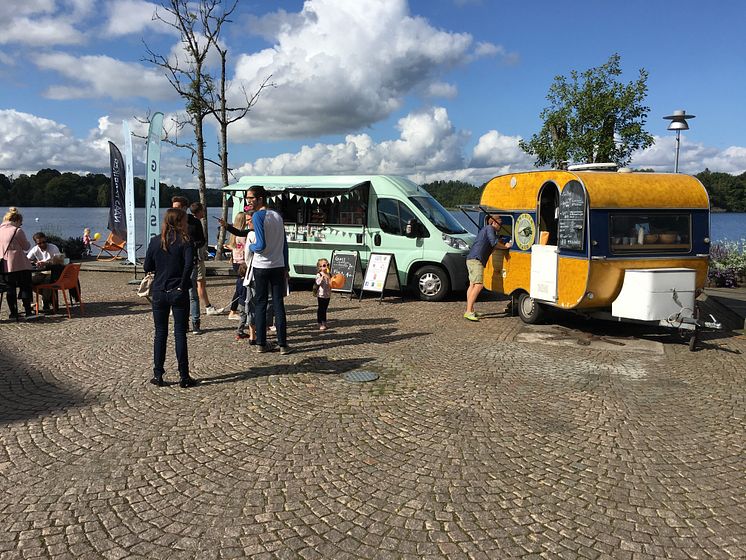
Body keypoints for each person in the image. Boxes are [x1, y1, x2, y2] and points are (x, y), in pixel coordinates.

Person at [219, 185, 290, 354]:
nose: (248, 201)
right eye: (247, 198)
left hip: (261, 266)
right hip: (278, 265)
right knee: (279, 305)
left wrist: (252, 248)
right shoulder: (278, 216)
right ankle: (283, 345)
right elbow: (284, 244)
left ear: (260, 199)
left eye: (250, 198)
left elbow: (261, 244)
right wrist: (286, 265)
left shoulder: (258, 216)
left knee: (260, 304)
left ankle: (261, 343)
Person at [143, 207, 197, 389]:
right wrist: (182, 284)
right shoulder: (186, 242)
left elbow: (147, 266)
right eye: (185, 221)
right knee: (180, 333)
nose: (187, 224)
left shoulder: (155, 241)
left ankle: (158, 374)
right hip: (178, 291)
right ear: (180, 222)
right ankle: (184, 375)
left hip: (159, 290)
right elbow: (189, 265)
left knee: (160, 333)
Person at [171, 196, 215, 334]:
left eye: (177, 207)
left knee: (192, 293)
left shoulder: (194, 222)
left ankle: (195, 322)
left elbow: (202, 241)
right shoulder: (171, 222)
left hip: (192, 261)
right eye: (173, 207)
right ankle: (182, 323)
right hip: (176, 262)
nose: (174, 209)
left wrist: (189, 246)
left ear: (184, 208)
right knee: (177, 293)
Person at [464, 215, 512, 321]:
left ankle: (470, 310)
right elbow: (494, 243)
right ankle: (468, 311)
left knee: (472, 285)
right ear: (494, 223)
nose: (500, 226)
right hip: (477, 260)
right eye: (500, 224)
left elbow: (491, 243)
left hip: (471, 259)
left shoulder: (486, 229)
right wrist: (506, 246)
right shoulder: (490, 228)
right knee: (479, 285)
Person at [0, 207, 34, 319]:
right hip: (19, 264)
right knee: (25, 286)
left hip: (4, 265)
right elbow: (26, 247)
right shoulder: (17, 230)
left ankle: (13, 313)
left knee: (10, 289)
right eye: (21, 222)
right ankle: (28, 311)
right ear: (17, 220)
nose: (21, 225)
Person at [27, 232, 63, 312]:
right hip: (41, 272)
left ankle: (46, 302)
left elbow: (59, 260)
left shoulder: (53, 248)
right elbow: (27, 259)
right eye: (39, 243)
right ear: (36, 243)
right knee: (28, 281)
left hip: (54, 272)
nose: (42, 244)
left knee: (46, 282)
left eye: (44, 242)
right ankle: (29, 304)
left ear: (46, 240)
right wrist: (34, 261)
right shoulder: (35, 249)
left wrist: (46, 263)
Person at [225, 212, 247, 320]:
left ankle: (234, 310)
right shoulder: (242, 235)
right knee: (241, 287)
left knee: (240, 286)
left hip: (236, 262)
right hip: (242, 262)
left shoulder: (233, 234)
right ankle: (233, 310)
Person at [314, 258, 331, 330]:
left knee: (325, 308)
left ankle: (324, 322)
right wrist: (322, 277)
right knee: (321, 308)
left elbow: (331, 282)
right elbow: (317, 282)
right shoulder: (319, 274)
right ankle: (319, 322)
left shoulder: (329, 274)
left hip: (327, 294)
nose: (326, 267)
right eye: (324, 265)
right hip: (321, 294)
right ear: (320, 267)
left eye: (327, 265)